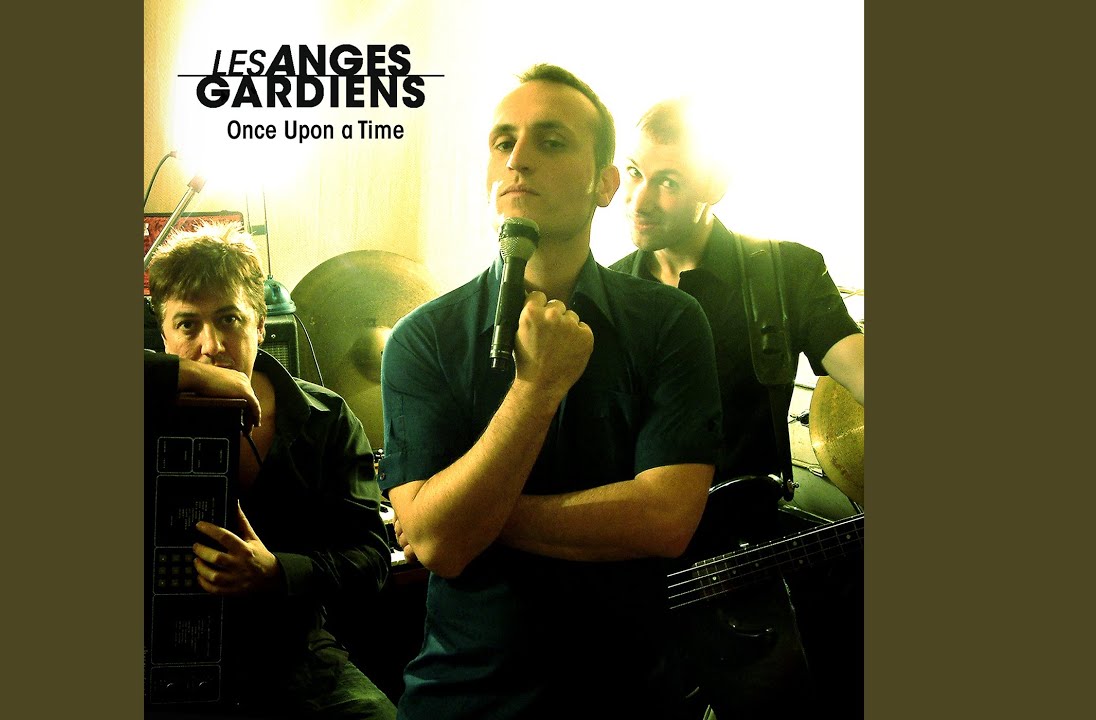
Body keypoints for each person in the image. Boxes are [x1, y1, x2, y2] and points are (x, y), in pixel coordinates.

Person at [378, 64, 722, 718]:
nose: (517, 159)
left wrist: (467, 513)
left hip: (628, 702)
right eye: (503, 141)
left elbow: (666, 518)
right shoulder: (423, 338)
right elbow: (440, 547)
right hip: (465, 700)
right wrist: (536, 389)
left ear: (605, 184)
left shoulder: (671, 323)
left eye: (552, 140)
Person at [609, 98, 866, 717]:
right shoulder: (608, 294)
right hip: (637, 574)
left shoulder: (785, 271)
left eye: (669, 182)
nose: (639, 199)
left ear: (713, 189)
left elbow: (861, 367)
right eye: (635, 172)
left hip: (751, 564)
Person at [144, 222, 396, 720]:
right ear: (163, 335)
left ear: (260, 325)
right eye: (188, 325)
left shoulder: (327, 418)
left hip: (293, 657)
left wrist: (278, 572)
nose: (212, 345)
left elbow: (372, 559)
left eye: (229, 319)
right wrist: (182, 375)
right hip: (160, 661)